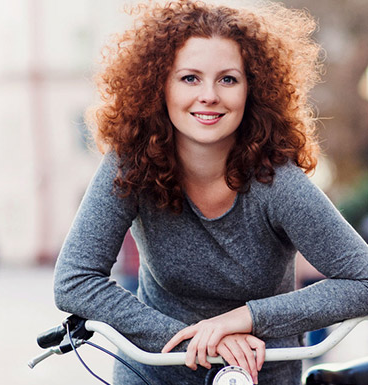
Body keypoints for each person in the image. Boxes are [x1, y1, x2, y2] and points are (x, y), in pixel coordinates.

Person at [52, 1, 368, 384]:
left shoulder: (278, 181)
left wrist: (243, 318)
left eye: (228, 79)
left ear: (252, 90)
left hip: (257, 372)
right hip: (155, 370)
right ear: (160, 86)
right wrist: (197, 342)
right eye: (189, 78)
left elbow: (362, 279)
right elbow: (75, 279)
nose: (209, 95)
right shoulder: (131, 164)